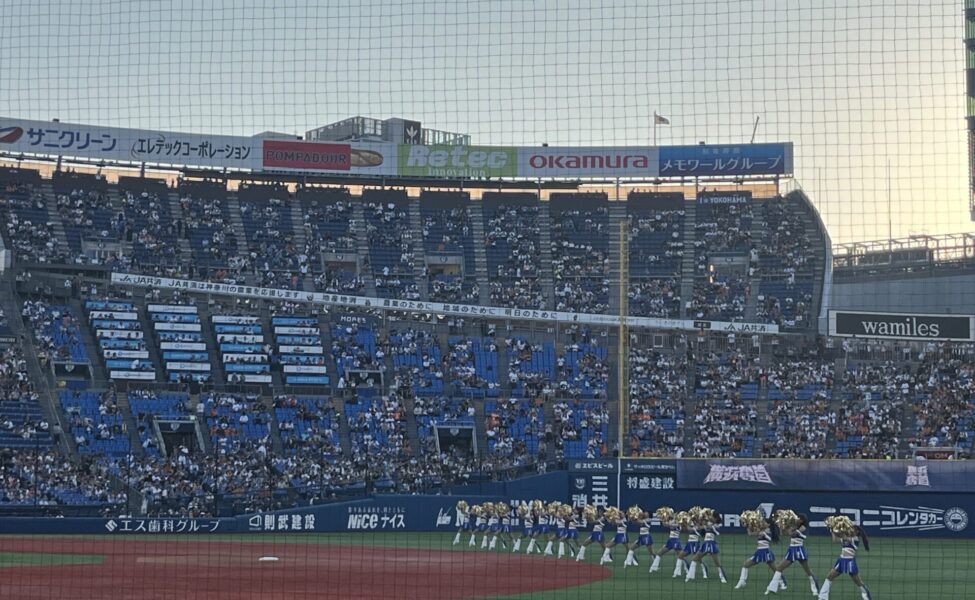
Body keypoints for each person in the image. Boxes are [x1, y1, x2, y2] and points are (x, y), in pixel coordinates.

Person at [818, 515, 872, 600]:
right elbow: (835, 540)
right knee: (829, 577)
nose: (850, 530)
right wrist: (831, 529)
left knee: (858, 581)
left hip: (849, 561)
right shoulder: (847, 538)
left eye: (852, 530)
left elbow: (844, 537)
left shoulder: (855, 539)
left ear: (856, 532)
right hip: (841, 560)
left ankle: (866, 595)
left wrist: (835, 527)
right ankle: (822, 597)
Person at [766, 510, 818, 595]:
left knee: (808, 571)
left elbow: (792, 534)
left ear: (802, 520)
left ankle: (815, 589)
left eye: (799, 518)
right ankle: (772, 588)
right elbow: (784, 533)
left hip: (799, 550)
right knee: (779, 568)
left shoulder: (803, 528)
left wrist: (787, 525)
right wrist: (781, 525)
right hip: (791, 550)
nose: (797, 519)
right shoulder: (795, 526)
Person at [735, 510, 781, 589]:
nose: (763, 523)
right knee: (745, 564)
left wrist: (750, 525)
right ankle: (742, 581)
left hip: (765, 552)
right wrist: (747, 524)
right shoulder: (763, 530)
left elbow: (754, 533)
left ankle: (782, 583)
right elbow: (750, 533)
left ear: (768, 524)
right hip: (759, 551)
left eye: (765, 522)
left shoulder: (767, 531)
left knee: (775, 569)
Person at [686, 507, 726, 583]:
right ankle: (690, 576)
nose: (709, 517)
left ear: (715, 518)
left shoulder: (718, 525)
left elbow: (716, 532)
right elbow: (701, 530)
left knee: (717, 563)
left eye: (711, 516)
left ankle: (722, 578)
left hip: (712, 544)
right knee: (694, 559)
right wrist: (698, 522)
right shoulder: (707, 523)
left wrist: (706, 524)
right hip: (705, 543)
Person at [649, 506, 686, 574]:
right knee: (660, 553)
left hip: (675, 541)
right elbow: (665, 525)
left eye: (672, 514)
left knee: (680, 556)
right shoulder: (672, 520)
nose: (672, 515)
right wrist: (662, 518)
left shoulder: (679, 523)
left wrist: (667, 521)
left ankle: (685, 568)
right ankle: (654, 568)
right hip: (670, 540)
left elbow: (672, 525)